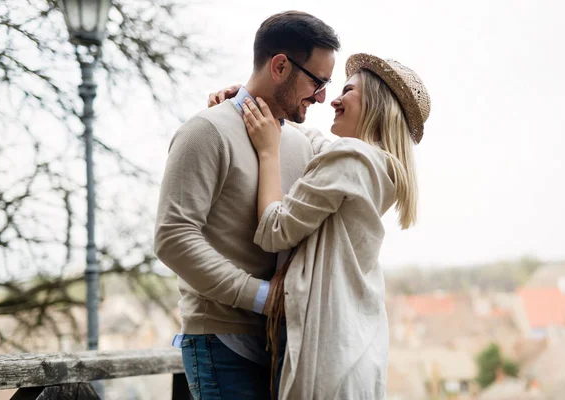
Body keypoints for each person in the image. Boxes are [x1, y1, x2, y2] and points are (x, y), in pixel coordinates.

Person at [218, 53, 431, 398]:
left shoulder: (349, 161)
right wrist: (253, 105)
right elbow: (317, 143)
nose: (333, 98)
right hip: (356, 349)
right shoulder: (382, 169)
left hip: (326, 359)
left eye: (347, 90)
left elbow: (275, 230)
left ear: (376, 103)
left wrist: (269, 153)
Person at [153, 11, 340, 400]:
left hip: (285, 347)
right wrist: (263, 298)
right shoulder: (206, 132)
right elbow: (173, 237)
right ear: (280, 65)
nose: (323, 96)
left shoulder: (302, 142)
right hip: (222, 343)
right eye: (317, 81)